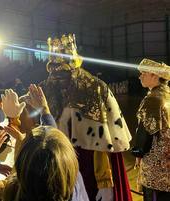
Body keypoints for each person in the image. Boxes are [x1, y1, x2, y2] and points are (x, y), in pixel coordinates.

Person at [40, 34, 132, 201]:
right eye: (54, 70)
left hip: (88, 162)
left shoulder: (94, 89)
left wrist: (104, 182)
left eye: (62, 72)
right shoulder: (46, 87)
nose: (57, 77)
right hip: (57, 158)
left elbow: (102, 140)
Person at [132, 58, 170, 201]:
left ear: (155, 76)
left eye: (144, 73)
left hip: (156, 169)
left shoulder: (152, 99)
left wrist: (137, 153)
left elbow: (145, 133)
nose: (140, 76)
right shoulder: (167, 95)